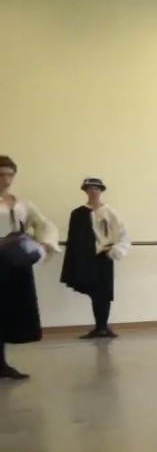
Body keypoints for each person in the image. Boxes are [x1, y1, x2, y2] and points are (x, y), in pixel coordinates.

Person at [0, 155, 59, 380]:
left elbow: (45, 225)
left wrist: (44, 245)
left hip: (16, 263)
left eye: (9, 174)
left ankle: (1, 364)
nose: (5, 179)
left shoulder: (24, 205)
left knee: (9, 311)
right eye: (1, 174)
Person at [60, 178, 131, 339]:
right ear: (85, 191)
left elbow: (122, 233)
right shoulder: (79, 213)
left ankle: (103, 326)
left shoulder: (110, 212)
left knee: (104, 292)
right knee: (93, 291)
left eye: (96, 189)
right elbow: (75, 238)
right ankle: (99, 327)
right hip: (86, 258)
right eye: (90, 189)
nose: (93, 192)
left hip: (104, 257)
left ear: (101, 191)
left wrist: (115, 251)